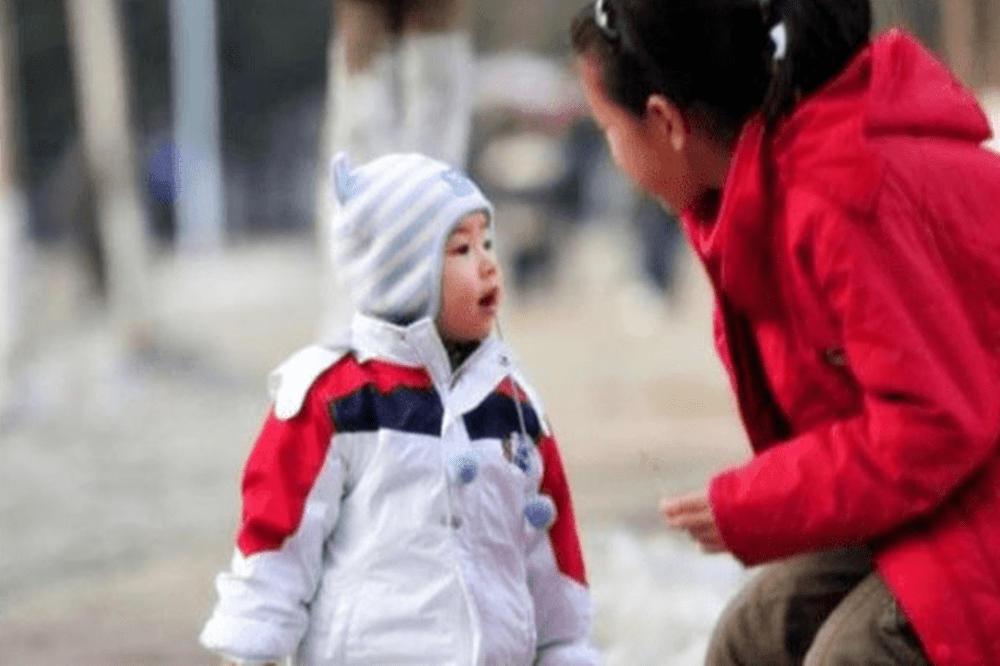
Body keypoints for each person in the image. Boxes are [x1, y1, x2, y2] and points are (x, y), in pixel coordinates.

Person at [570, 1, 1000, 665]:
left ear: (665, 121)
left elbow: (932, 427)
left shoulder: (841, 198)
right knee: (754, 636)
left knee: (857, 653)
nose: (611, 150)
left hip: (972, 480)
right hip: (955, 482)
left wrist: (758, 501)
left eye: (606, 128)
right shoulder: (754, 198)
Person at [199, 152, 599, 666]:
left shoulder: (512, 406)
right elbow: (278, 536)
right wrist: (253, 645)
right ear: (405, 275)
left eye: (487, 242)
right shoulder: (335, 395)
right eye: (460, 248)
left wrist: (564, 647)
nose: (487, 263)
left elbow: (551, 545)